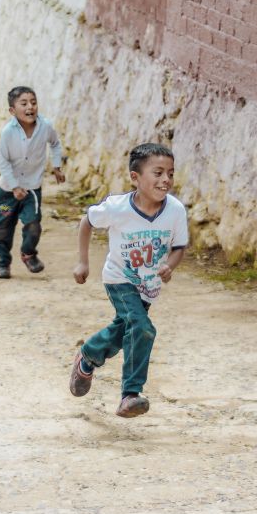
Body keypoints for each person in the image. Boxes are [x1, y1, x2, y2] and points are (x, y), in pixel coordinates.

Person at [70, 142, 188, 418]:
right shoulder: (117, 208)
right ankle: (130, 394)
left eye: (170, 173)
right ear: (135, 177)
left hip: (149, 286)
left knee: (125, 329)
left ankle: (88, 356)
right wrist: (83, 261)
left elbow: (179, 246)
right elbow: (87, 221)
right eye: (158, 173)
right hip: (119, 279)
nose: (166, 179)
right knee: (142, 328)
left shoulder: (175, 210)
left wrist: (169, 265)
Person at [0, 86, 65, 279]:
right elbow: (3, 161)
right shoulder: (8, 132)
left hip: (32, 189)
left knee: (33, 224)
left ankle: (28, 253)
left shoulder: (45, 127)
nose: (30, 107)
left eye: (33, 102)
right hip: (8, 193)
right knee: (2, 228)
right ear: (12, 110)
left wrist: (57, 166)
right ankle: (3, 263)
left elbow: (55, 144)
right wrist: (14, 186)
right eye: (23, 104)